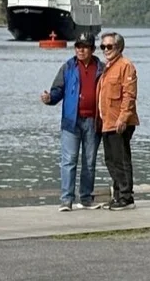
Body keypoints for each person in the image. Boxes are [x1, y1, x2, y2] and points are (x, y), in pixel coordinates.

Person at [41, 33, 104, 211]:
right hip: (71, 121)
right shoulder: (67, 67)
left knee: (89, 162)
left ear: (92, 49)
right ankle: (66, 200)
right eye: (78, 46)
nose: (80, 50)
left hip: (93, 121)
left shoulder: (101, 68)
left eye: (84, 46)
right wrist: (49, 98)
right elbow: (57, 90)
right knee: (69, 160)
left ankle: (85, 199)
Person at [97, 32, 139, 211]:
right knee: (110, 160)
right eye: (103, 47)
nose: (106, 50)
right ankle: (117, 195)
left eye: (109, 46)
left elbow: (129, 95)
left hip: (120, 122)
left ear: (119, 47)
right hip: (107, 122)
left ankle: (126, 196)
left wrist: (123, 118)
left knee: (121, 159)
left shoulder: (125, 66)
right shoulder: (107, 67)